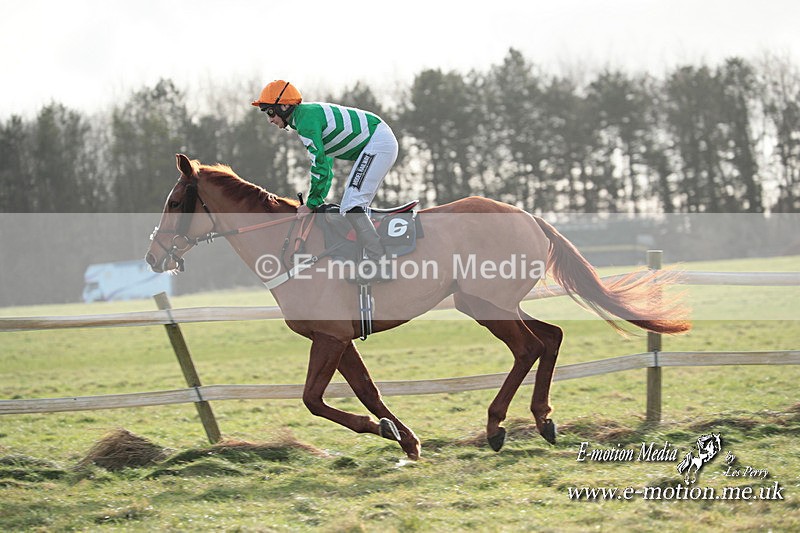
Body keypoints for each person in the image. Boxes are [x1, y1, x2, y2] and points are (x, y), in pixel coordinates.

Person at [252, 80, 399, 281]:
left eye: (270, 112)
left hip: (379, 141)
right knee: (350, 203)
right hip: (378, 139)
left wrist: (312, 204)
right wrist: (318, 200)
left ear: (284, 106)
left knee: (352, 204)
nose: (269, 119)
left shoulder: (305, 122)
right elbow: (327, 166)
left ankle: (380, 264)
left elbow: (319, 165)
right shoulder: (304, 117)